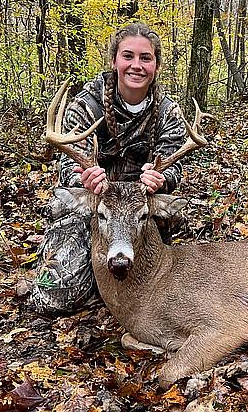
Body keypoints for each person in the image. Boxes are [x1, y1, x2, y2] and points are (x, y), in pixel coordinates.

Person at [31, 23, 187, 316]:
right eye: (128, 56)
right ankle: (92, 273)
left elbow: (174, 166)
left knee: (167, 288)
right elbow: (67, 165)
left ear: (156, 66)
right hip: (95, 204)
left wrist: (161, 178)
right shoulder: (86, 105)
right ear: (114, 60)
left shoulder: (168, 112)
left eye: (146, 58)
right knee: (54, 298)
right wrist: (83, 176)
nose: (136, 65)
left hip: (140, 210)